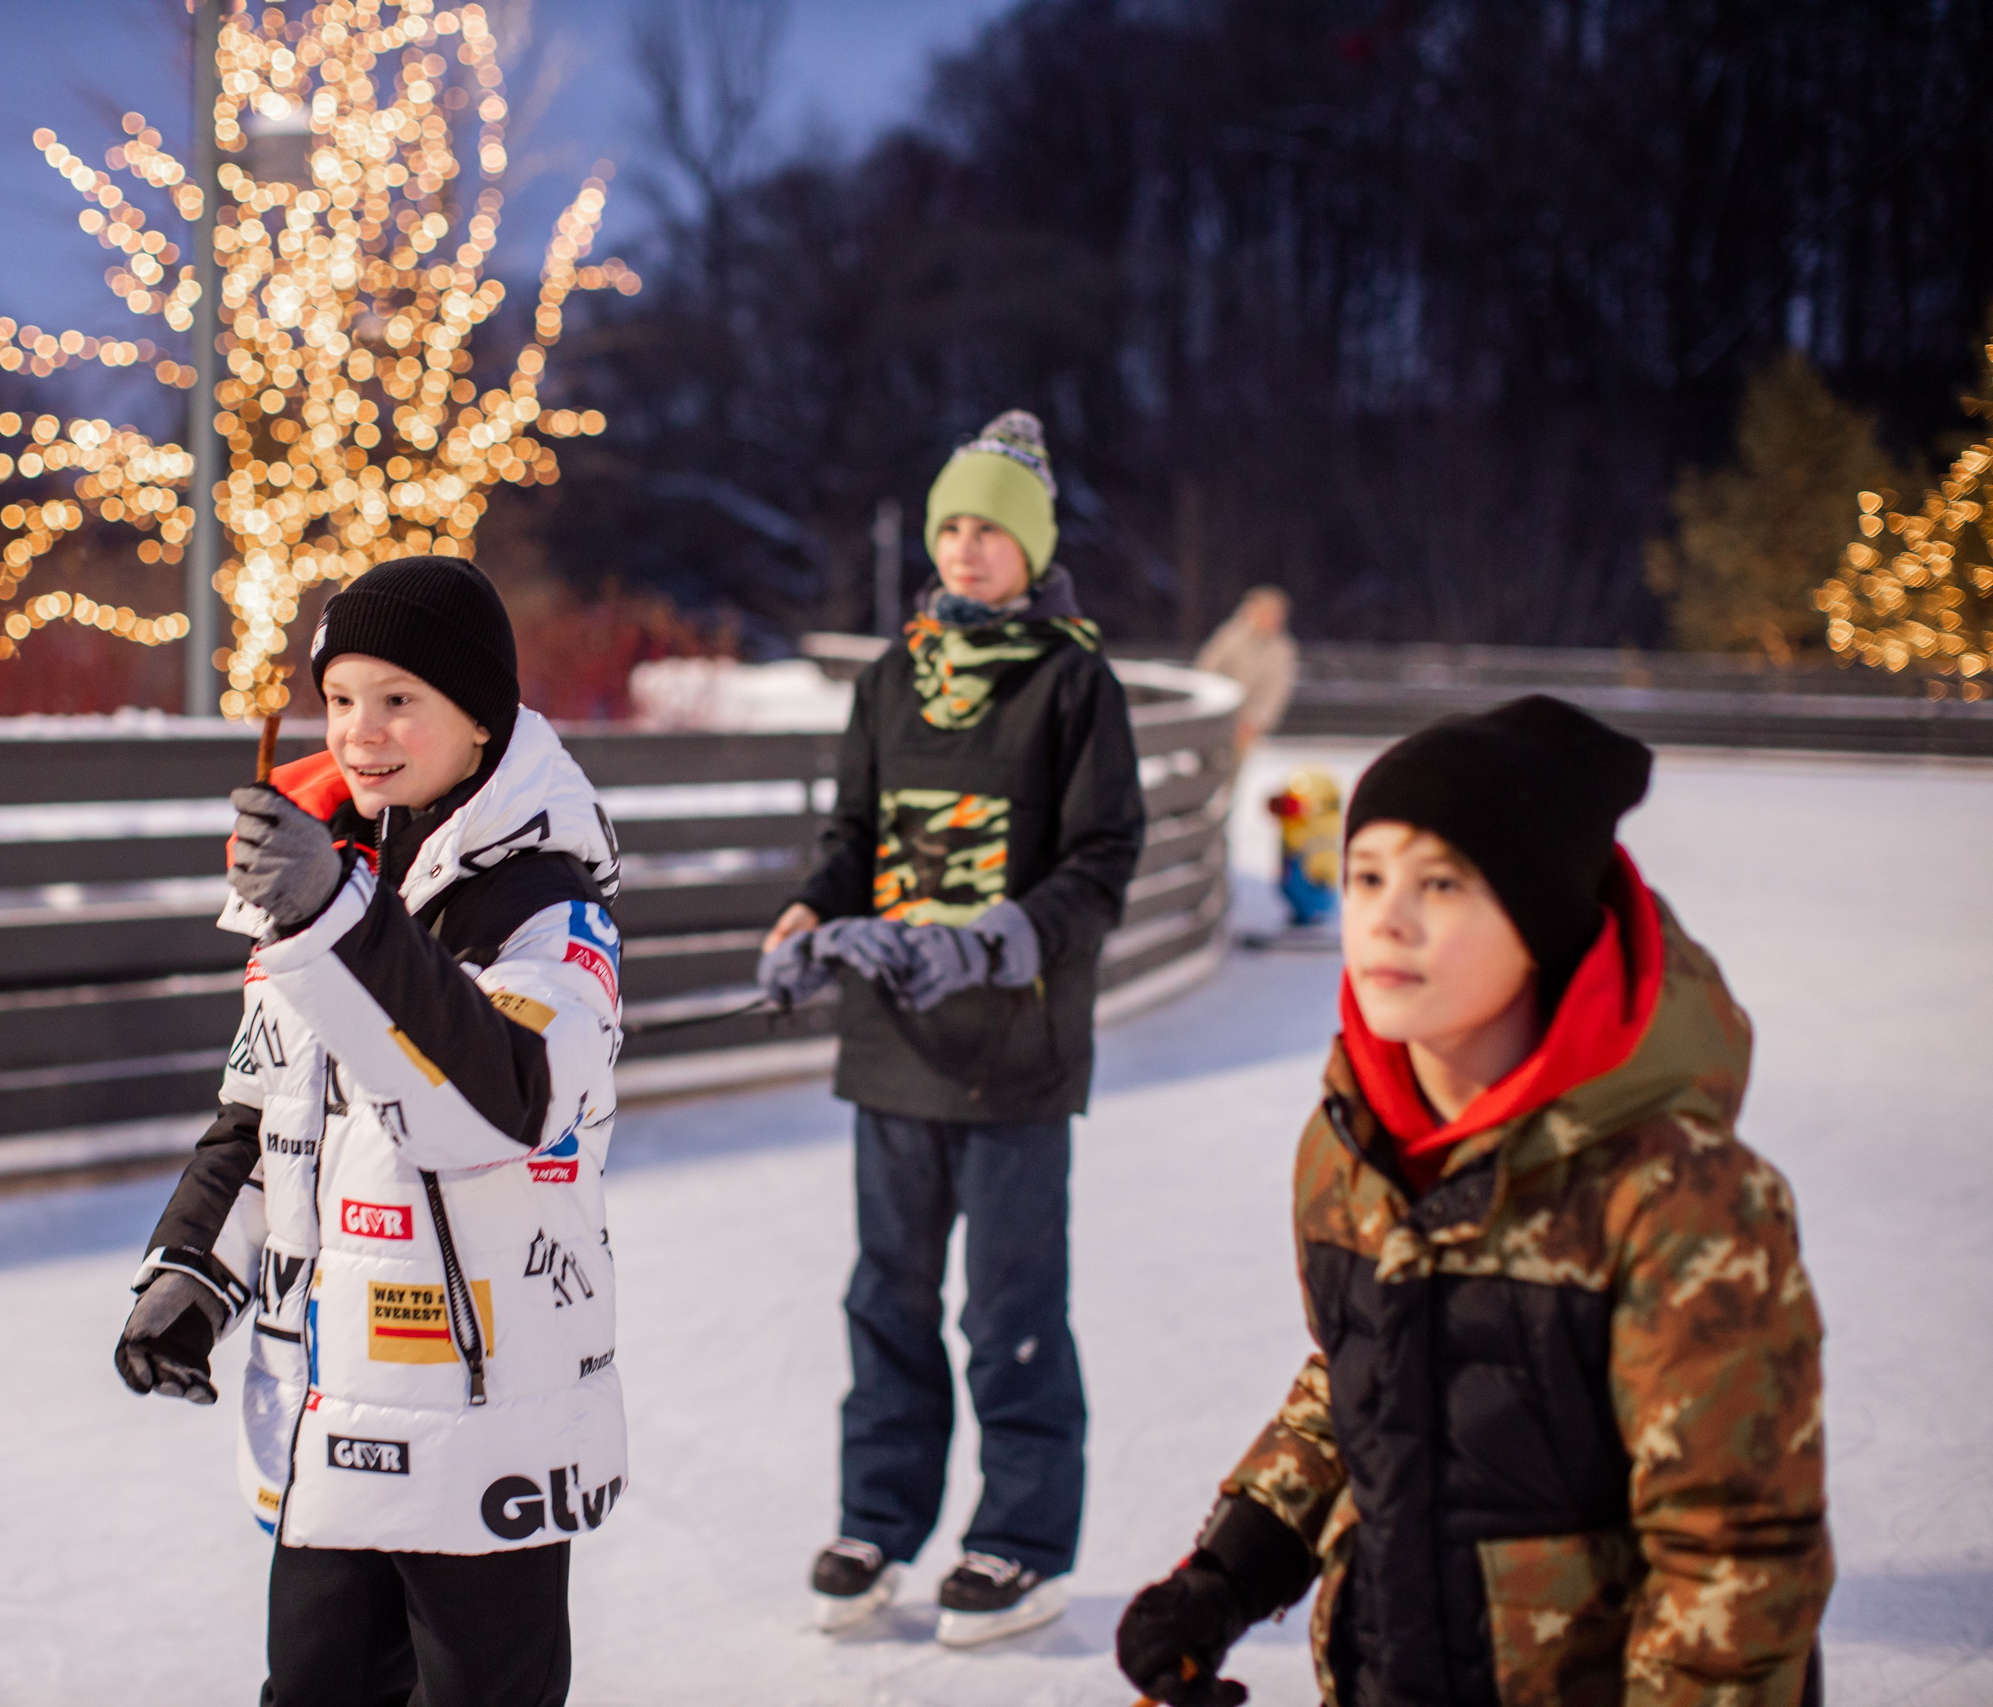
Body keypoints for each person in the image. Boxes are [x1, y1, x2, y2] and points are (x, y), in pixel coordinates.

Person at [1114, 696, 1831, 1707]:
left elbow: (1736, 1557)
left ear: (1540, 921)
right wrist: (1227, 1573)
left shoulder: (1675, 1198)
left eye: (1441, 884)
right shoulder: (1347, 1147)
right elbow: (1358, 1381)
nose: (1385, 919)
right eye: (1366, 877)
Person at [113, 557, 626, 1707]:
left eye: (400, 699)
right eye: (341, 698)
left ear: (481, 716)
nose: (361, 731)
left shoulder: (545, 905)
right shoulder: (332, 871)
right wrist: (195, 1268)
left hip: (490, 1418)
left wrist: (333, 924)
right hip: (328, 1405)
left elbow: (500, 1101)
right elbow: (261, 1109)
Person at [758, 409, 1145, 1647]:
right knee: (887, 1295)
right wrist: (809, 916)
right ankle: (878, 1518)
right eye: (952, 528)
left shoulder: (1075, 685)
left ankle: (1019, 1540)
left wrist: (997, 939)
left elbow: (1101, 860)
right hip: (889, 1048)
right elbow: (851, 839)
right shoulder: (891, 676)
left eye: (992, 530)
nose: (968, 549)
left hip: (1014, 1057)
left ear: (1033, 547)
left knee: (1012, 1307)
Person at [1194, 585, 1298, 756]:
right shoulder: (1230, 637)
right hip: (1216, 715)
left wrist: (1254, 722)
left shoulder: (1281, 650)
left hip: (1247, 725)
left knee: (1235, 767)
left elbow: (1275, 692)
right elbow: (1206, 670)